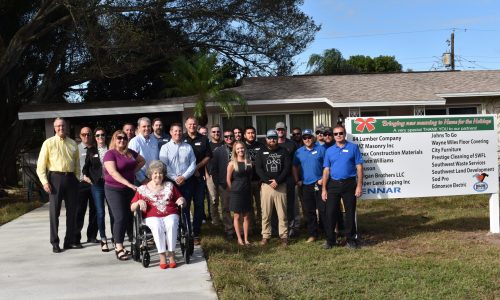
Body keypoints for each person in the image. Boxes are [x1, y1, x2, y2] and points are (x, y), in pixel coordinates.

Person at [131, 161, 186, 269]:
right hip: (151, 216)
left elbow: (180, 198)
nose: (158, 175)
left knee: (172, 223)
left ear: (164, 174)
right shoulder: (142, 189)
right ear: (150, 174)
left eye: (160, 173)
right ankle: (162, 256)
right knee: (156, 225)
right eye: (155, 173)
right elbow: (132, 207)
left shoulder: (169, 185)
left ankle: (171, 254)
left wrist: (181, 200)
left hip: (170, 213)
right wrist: (138, 203)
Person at [36, 118, 80, 253]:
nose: (61, 128)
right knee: (54, 212)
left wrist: (77, 178)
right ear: (55, 128)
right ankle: (55, 242)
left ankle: (69, 241)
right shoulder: (48, 143)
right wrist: (45, 182)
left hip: (71, 178)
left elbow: (77, 163)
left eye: (63, 125)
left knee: (72, 212)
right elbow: (40, 166)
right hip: (55, 179)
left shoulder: (73, 143)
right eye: (58, 126)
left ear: (66, 127)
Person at [103, 130, 145, 260]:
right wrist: (129, 183)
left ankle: (133, 242)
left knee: (129, 217)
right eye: (119, 138)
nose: (122, 140)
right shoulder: (110, 154)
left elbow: (142, 161)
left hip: (129, 189)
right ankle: (119, 246)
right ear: (114, 140)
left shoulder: (130, 152)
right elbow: (113, 173)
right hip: (114, 189)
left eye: (125, 138)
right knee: (120, 217)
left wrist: (132, 171)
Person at [321, 125, 363, 249]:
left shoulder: (353, 147)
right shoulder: (329, 151)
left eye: (340, 133)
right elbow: (326, 170)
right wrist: (324, 188)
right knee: (330, 212)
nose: (338, 135)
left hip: (349, 184)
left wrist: (359, 185)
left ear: (345, 134)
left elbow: (359, 167)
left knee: (350, 213)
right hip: (333, 184)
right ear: (333, 136)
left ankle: (351, 240)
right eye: (336, 134)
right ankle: (330, 240)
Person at [159, 123, 197, 240]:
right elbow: (164, 165)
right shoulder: (165, 148)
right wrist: (176, 178)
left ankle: (186, 232)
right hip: (171, 183)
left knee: (185, 207)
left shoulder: (188, 147)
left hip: (187, 182)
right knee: (172, 208)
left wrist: (184, 177)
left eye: (180, 131)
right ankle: (172, 233)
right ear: (170, 132)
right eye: (175, 131)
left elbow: (193, 163)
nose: (178, 133)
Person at [255, 129, 290, 246]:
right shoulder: (261, 151)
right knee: (266, 213)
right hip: (266, 186)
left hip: (281, 186)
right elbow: (258, 169)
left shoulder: (283, 151)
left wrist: (278, 181)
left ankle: (284, 236)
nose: (272, 140)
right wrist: (268, 181)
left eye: (274, 138)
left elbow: (287, 168)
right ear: (266, 139)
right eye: (270, 138)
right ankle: (265, 236)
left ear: (277, 139)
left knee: (282, 213)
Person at [82, 127, 114, 252]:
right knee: (100, 212)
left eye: (102, 135)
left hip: (111, 183)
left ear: (106, 136)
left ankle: (115, 238)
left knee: (113, 212)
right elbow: (86, 167)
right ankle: (103, 238)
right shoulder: (91, 150)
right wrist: (87, 177)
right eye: (97, 135)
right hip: (97, 185)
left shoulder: (112, 149)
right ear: (94, 137)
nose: (100, 137)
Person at [183, 116, 212, 245]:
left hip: (198, 177)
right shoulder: (181, 139)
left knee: (199, 204)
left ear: (197, 125)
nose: (192, 126)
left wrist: (196, 167)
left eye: (194, 124)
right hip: (186, 178)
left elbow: (208, 156)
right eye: (190, 124)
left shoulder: (204, 139)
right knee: (185, 204)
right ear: (186, 125)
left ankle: (196, 231)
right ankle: (186, 229)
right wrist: (188, 171)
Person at [292, 129, 325, 243]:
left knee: (323, 209)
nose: (307, 139)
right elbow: (294, 166)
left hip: (319, 183)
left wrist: (323, 179)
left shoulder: (321, 149)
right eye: (305, 138)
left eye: (309, 137)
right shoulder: (299, 152)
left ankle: (325, 231)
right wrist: (297, 180)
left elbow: (327, 166)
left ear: (313, 138)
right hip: (306, 185)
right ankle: (312, 234)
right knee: (309, 211)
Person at [211, 129, 236, 240]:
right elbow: (214, 170)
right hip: (224, 185)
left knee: (239, 208)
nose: (228, 138)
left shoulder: (240, 148)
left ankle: (240, 229)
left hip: (238, 183)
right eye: (226, 137)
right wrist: (218, 184)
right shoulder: (218, 151)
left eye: (231, 136)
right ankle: (229, 229)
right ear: (223, 138)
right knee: (226, 208)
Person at [275, 121, 299, 238]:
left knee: (290, 205)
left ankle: (291, 228)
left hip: (289, 179)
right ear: (276, 131)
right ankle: (278, 228)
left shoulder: (292, 144)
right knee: (278, 205)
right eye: (278, 129)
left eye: (282, 129)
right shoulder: (272, 144)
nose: (280, 131)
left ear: (286, 130)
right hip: (276, 180)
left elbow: (296, 164)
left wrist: (296, 179)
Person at [227, 141, 253, 246]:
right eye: (238, 149)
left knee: (246, 216)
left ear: (244, 149)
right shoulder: (232, 163)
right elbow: (228, 179)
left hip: (247, 191)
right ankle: (239, 239)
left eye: (242, 148)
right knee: (237, 216)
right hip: (236, 192)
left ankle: (246, 239)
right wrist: (232, 191)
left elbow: (250, 177)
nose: (240, 150)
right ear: (235, 151)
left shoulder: (249, 162)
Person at [75, 127, 98, 245]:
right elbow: (74, 166)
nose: (86, 136)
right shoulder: (76, 149)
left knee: (95, 211)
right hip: (81, 184)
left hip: (94, 184)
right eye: (84, 134)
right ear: (80, 135)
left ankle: (92, 236)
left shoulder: (96, 148)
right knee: (79, 211)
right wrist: (82, 177)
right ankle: (76, 238)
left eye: (89, 134)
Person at [243, 125, 264, 232]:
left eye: (253, 133)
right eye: (249, 133)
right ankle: (251, 227)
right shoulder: (242, 147)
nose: (251, 135)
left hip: (260, 181)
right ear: (244, 135)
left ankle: (262, 227)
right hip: (247, 181)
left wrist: (263, 178)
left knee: (262, 205)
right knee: (248, 205)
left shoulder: (261, 146)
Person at [128, 117, 159, 184]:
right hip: (140, 179)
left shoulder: (154, 140)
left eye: (148, 126)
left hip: (154, 177)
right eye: (144, 126)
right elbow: (133, 163)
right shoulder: (134, 141)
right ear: (138, 128)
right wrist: (142, 179)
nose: (147, 128)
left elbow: (157, 159)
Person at [206, 124, 223, 225]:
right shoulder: (208, 145)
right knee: (214, 200)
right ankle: (216, 221)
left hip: (223, 176)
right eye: (214, 132)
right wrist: (207, 175)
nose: (216, 133)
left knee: (225, 200)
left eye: (218, 132)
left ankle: (226, 220)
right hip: (211, 176)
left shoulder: (224, 144)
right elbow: (203, 160)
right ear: (210, 133)